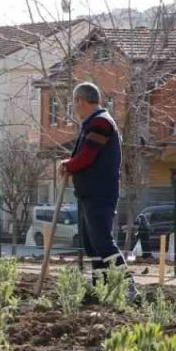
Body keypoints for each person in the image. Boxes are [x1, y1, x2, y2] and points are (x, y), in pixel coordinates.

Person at [58, 82, 136, 300]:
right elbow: (83, 156)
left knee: (102, 240)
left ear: (81, 101)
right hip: (88, 192)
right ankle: (99, 289)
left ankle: (129, 287)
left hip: (99, 192)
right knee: (92, 245)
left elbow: (87, 157)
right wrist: (70, 163)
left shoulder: (101, 123)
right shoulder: (93, 123)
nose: (74, 107)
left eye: (74, 103)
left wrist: (68, 166)